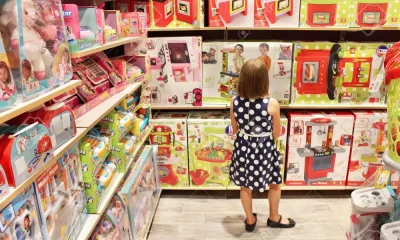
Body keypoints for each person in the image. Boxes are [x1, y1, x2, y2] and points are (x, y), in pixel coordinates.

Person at [229, 59, 295, 232]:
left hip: (243, 147)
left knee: (245, 185)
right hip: (264, 148)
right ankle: (274, 217)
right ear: (264, 80)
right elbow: (277, 133)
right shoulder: (272, 103)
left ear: (242, 78)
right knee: (273, 183)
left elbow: (234, 129)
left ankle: (250, 220)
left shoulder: (234, 102)